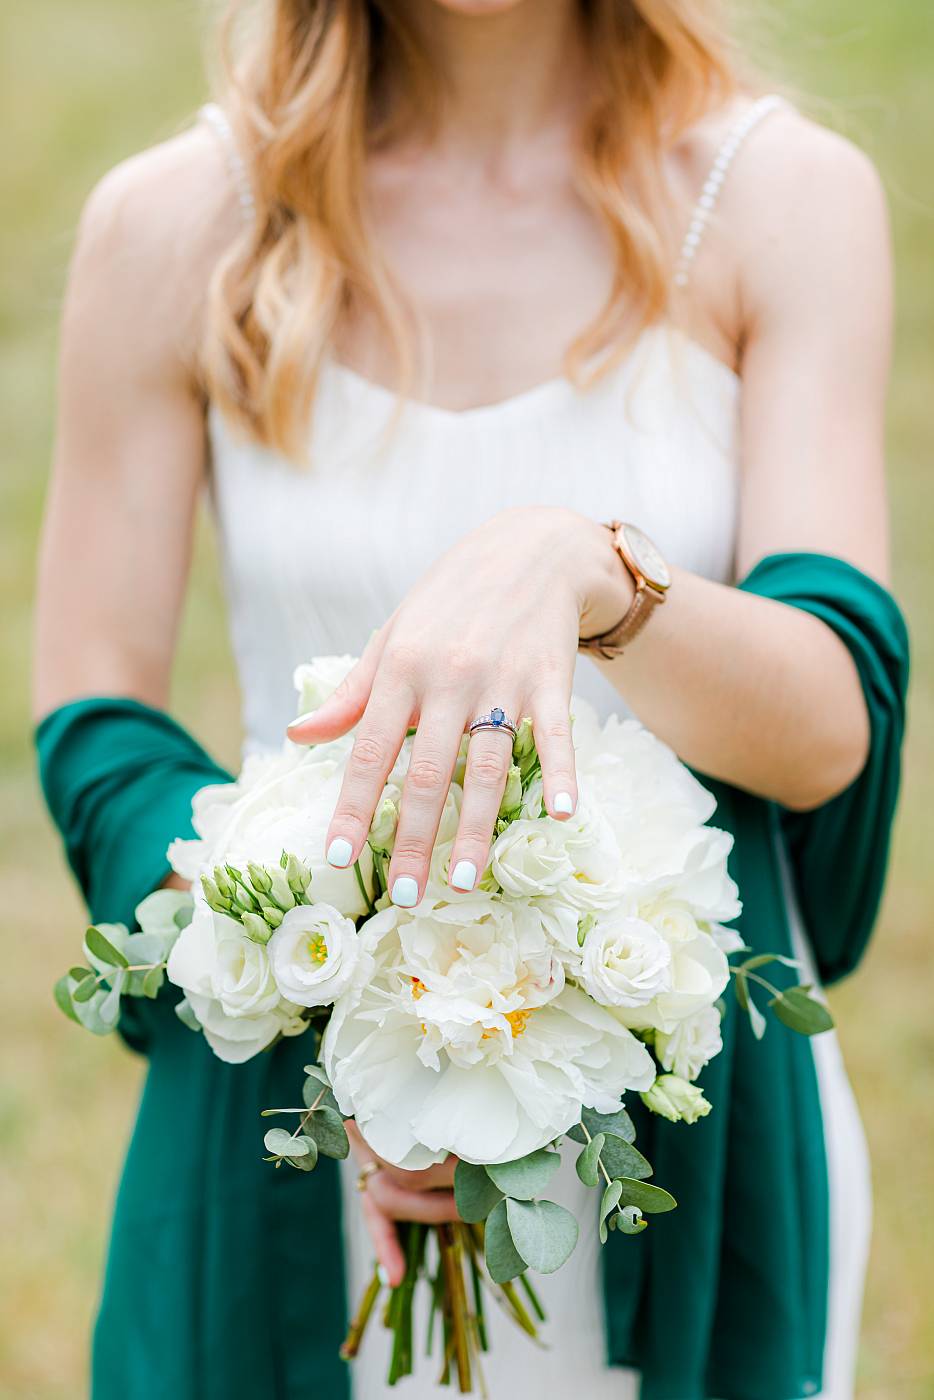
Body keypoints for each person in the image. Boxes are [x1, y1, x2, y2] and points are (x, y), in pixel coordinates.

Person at [34, 1, 909, 1397]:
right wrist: (338, 990)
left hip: (681, 1127)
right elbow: (98, 716)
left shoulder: (775, 200)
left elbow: (821, 733)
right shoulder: (178, 222)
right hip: (303, 1118)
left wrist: (588, 574)